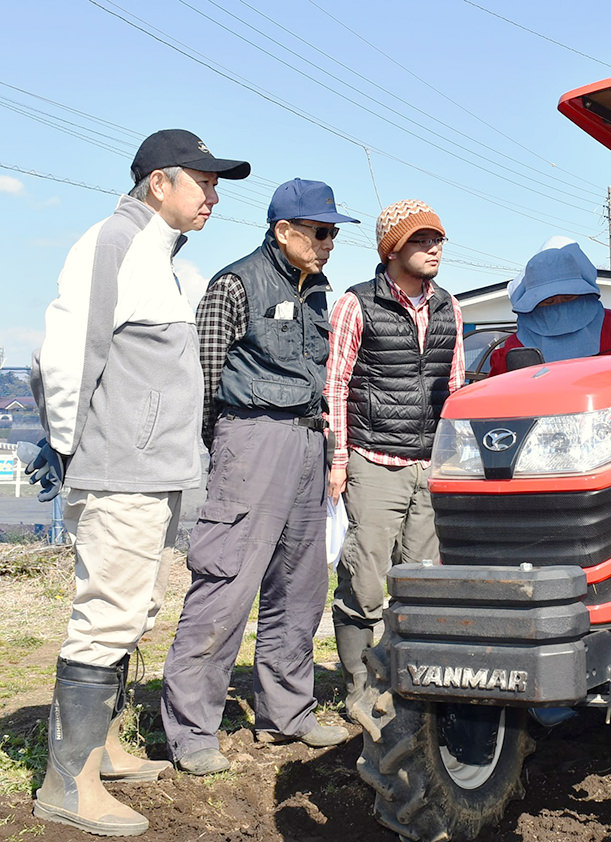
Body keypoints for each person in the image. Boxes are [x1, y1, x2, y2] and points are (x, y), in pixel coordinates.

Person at [26, 129, 249, 836]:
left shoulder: (164, 258)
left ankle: (106, 750)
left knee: (132, 611)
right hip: (119, 467)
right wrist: (67, 446)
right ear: (160, 183)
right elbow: (64, 352)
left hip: (151, 470)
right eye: (203, 182)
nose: (213, 196)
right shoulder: (113, 243)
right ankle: (69, 784)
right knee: (106, 615)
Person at [161, 178, 358, 776]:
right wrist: (225, 445)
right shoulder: (234, 284)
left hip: (308, 442)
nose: (328, 244)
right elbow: (203, 372)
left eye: (333, 233)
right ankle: (193, 729)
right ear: (284, 230)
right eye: (320, 232)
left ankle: (288, 712)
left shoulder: (320, 290)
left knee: (299, 589)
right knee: (226, 585)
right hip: (250, 440)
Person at [325, 199, 465, 715]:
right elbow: (335, 384)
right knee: (364, 580)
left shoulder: (450, 306)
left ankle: (409, 691)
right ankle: (360, 691)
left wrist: (450, 463)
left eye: (437, 240)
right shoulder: (355, 305)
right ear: (392, 249)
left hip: (429, 464)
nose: (433, 249)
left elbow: (454, 390)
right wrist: (339, 460)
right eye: (420, 240)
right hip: (372, 458)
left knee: (424, 579)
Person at [488, 236, 611, 375]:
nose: (560, 307)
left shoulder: (610, 323)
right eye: (549, 301)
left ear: (582, 294)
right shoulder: (514, 347)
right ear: (534, 305)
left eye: (568, 297)